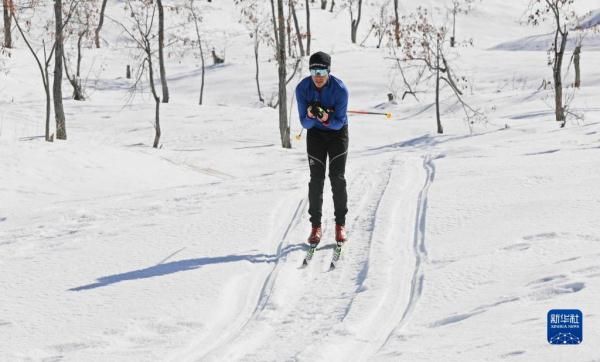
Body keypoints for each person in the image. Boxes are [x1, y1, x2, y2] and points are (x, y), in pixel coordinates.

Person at [295, 51, 349, 247]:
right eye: (314, 70)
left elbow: (339, 122)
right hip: (316, 135)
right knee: (316, 180)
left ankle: (340, 224)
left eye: (322, 71)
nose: (317, 76)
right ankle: (315, 226)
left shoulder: (340, 90)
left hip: (337, 134)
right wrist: (311, 115)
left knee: (337, 177)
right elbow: (305, 123)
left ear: (329, 71)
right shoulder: (302, 89)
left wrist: (326, 118)